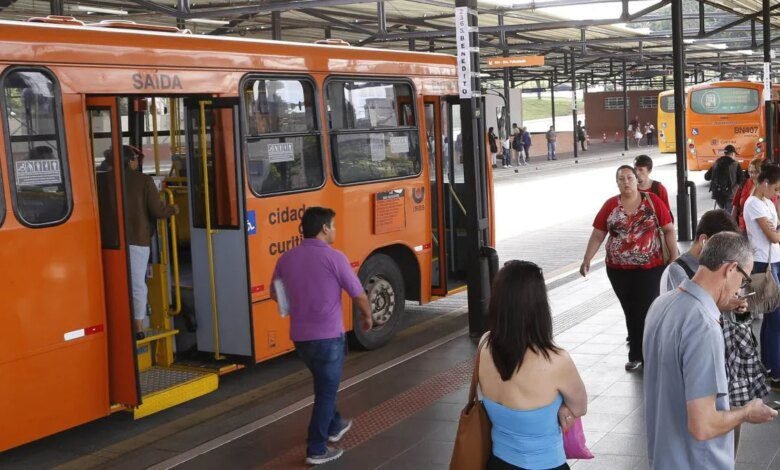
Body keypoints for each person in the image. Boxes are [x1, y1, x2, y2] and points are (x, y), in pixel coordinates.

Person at [644, 232, 777, 470]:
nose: (739, 290)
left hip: (664, 457)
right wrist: (747, 412)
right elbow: (703, 426)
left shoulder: (661, 304)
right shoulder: (704, 325)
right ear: (730, 269)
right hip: (697, 462)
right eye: (743, 280)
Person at [271, 207, 373, 466]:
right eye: (333, 225)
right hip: (328, 338)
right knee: (325, 393)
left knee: (324, 384)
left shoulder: (286, 258)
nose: (335, 230)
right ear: (325, 228)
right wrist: (367, 317)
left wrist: (298, 305)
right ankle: (316, 448)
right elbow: (358, 294)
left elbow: (275, 292)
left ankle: (335, 424)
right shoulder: (334, 257)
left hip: (301, 338)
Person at [479, 260, 587, 470]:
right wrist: (562, 408)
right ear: (538, 307)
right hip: (546, 465)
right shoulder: (555, 360)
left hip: (497, 462)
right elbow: (579, 407)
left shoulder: (485, 345)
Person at [580, 165, 678, 371]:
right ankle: (636, 354)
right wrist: (587, 258)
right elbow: (598, 234)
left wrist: (674, 257)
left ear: (636, 179)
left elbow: (669, 229)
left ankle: (648, 352)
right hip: (618, 270)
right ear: (617, 182)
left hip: (650, 268)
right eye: (621, 179)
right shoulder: (610, 205)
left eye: (629, 178)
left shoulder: (652, 201)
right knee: (630, 310)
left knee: (645, 308)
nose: (626, 182)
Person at [124, 145, 177, 340]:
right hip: (137, 240)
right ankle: (138, 326)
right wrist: (174, 209)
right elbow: (158, 211)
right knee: (137, 284)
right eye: (136, 159)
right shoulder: (143, 181)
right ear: (130, 161)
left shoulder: (102, 179)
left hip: (111, 241)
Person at [743, 164, 780, 385]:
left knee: (770, 316)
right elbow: (772, 236)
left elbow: (776, 230)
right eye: (775, 189)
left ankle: (768, 363)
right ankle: (776, 370)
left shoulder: (767, 202)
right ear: (765, 183)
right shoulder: (753, 204)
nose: (777, 193)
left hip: (774, 261)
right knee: (775, 316)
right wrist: (776, 232)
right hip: (764, 264)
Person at [732, 158, 769, 232]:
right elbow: (735, 207)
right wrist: (732, 227)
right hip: (743, 228)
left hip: (762, 229)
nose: (752, 175)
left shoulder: (768, 186)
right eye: (750, 172)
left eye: (756, 172)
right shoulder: (743, 184)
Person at [705, 144, 745, 212]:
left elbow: (706, 177)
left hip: (717, 195)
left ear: (725, 153)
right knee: (729, 216)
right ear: (732, 154)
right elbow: (741, 180)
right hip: (730, 195)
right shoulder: (735, 164)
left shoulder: (716, 163)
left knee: (723, 214)